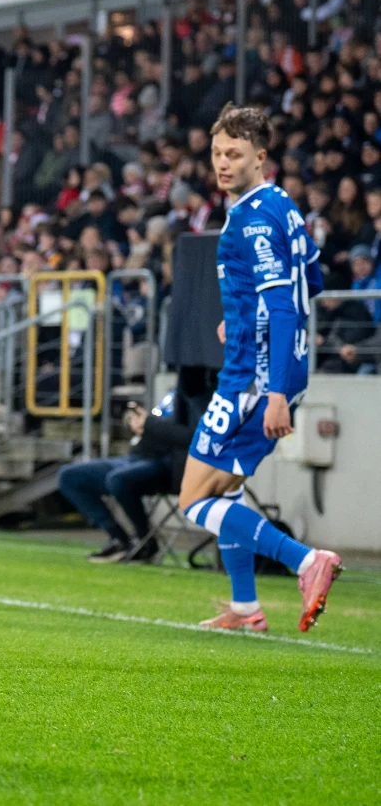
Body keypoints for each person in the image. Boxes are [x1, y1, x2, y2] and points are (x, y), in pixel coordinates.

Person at [179, 104, 341, 634]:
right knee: (226, 491)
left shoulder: (251, 219)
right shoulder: (283, 206)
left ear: (260, 157)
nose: (222, 163)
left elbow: (285, 305)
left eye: (234, 154)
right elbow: (312, 280)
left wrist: (272, 393)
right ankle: (245, 606)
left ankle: (305, 560)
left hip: (253, 379)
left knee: (193, 499)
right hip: (275, 370)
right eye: (217, 153)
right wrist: (242, 321)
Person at [59, 372, 210, 563]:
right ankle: (119, 538)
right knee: (69, 476)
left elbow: (195, 437)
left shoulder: (203, 397)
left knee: (118, 479)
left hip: (170, 465)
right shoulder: (174, 393)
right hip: (137, 455)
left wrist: (150, 424)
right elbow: (157, 421)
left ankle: (144, 540)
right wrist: (136, 421)